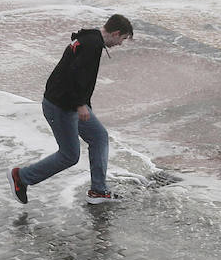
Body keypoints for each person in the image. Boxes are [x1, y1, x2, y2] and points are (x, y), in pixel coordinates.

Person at [10, 14, 134, 205]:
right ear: (116, 33)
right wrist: (80, 104)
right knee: (69, 155)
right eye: (123, 39)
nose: (121, 44)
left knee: (99, 136)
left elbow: (78, 76)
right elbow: (74, 74)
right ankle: (22, 177)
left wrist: (84, 105)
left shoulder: (91, 38)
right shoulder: (92, 44)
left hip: (68, 103)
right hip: (60, 106)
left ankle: (98, 191)